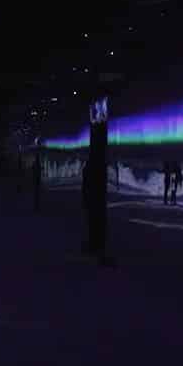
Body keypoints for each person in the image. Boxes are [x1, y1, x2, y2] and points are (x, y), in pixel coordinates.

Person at [82, 99, 113, 264]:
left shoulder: (91, 168)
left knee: (95, 220)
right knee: (96, 220)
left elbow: (86, 184)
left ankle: (96, 244)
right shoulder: (95, 168)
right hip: (95, 198)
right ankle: (97, 244)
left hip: (94, 198)